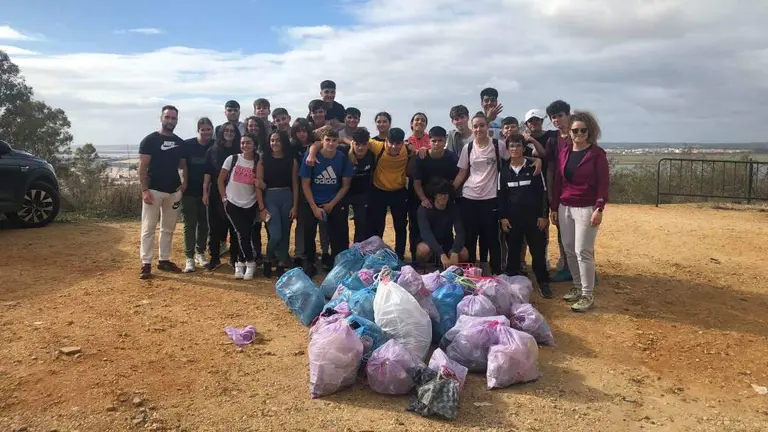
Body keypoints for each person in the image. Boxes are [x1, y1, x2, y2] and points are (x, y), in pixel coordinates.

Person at [550, 111, 609, 312]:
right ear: (570, 131)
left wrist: (599, 208)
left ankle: (587, 294)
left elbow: (603, 184)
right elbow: (558, 181)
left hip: (587, 207)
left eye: (583, 130)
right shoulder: (565, 152)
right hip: (565, 206)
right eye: (575, 130)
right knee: (569, 250)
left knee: (583, 251)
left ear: (589, 131)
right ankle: (577, 287)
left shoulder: (597, 154)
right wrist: (554, 207)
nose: (579, 134)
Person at [453, 112, 509, 275]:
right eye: (475, 126)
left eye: (482, 125)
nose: (478, 129)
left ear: (488, 126)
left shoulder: (499, 146)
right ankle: (470, 274)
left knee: (492, 238)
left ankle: (496, 273)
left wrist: (535, 160)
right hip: (469, 197)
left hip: (491, 198)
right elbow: (462, 173)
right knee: (470, 238)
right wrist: (448, 191)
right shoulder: (468, 148)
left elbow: (512, 161)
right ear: (472, 128)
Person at [498, 134, 552, 298]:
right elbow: (501, 196)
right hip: (513, 219)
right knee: (513, 251)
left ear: (523, 148)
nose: (514, 149)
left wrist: (544, 216)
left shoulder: (533, 166)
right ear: (508, 149)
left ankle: (543, 282)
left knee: (538, 252)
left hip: (534, 218)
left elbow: (543, 193)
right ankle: (513, 285)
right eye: (511, 146)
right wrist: (503, 217)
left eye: (518, 145)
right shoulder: (504, 170)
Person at [138, 105, 187, 279]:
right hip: (153, 190)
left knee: (168, 228)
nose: (170, 121)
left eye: (173, 118)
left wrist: (184, 184)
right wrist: (144, 190)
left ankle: (164, 260)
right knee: (149, 228)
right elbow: (142, 167)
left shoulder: (180, 143)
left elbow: (183, 165)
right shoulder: (150, 140)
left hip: (173, 191)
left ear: (177, 120)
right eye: (167, 117)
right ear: (161, 118)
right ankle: (146, 263)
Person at [299, 130, 353, 276]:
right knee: (308, 232)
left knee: (339, 234)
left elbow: (346, 185)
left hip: (333, 200)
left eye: (334, 140)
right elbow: (305, 184)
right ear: (322, 141)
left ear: (337, 142)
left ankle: (337, 265)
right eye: (327, 140)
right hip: (312, 200)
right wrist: (314, 207)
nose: (330, 143)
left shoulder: (342, 158)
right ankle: (309, 263)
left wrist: (332, 204)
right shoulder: (311, 157)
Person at [217, 134, 263, 280]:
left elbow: (261, 182)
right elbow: (220, 179)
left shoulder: (258, 162)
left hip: (250, 203)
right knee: (241, 233)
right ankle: (250, 262)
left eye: (248, 143)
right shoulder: (232, 159)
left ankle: (240, 262)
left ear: (254, 145)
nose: (245, 146)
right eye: (243, 143)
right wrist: (224, 198)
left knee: (242, 235)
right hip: (232, 203)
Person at [411, 125, 459, 264]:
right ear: (429, 141)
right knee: (419, 232)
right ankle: (418, 264)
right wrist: (423, 199)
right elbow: (417, 182)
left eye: (440, 140)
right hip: (425, 199)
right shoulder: (422, 157)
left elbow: (458, 175)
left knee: (445, 229)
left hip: (444, 199)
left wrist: (448, 194)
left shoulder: (451, 157)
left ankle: (445, 255)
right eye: (434, 141)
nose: (437, 144)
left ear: (445, 141)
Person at [365, 127, 412, 261]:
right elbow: (356, 141)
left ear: (402, 143)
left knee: (401, 225)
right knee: (377, 225)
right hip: (379, 190)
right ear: (386, 140)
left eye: (398, 143)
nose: (393, 146)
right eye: (391, 142)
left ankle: (400, 255)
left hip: (398, 191)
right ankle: (375, 255)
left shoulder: (407, 150)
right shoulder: (377, 146)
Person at [256, 130, 298, 278]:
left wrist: (295, 206)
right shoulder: (263, 160)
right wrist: (261, 208)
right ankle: (268, 259)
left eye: (278, 140)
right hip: (270, 198)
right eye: (272, 140)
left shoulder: (291, 160)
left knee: (286, 233)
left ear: (284, 142)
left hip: (287, 196)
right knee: (276, 235)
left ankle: (281, 263)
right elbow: (258, 185)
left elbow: (295, 184)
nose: (275, 143)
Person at [202, 123, 241, 271]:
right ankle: (214, 257)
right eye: (226, 130)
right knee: (214, 226)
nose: (229, 133)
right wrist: (205, 192)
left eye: (232, 131)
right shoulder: (213, 150)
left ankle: (234, 257)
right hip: (215, 193)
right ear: (221, 132)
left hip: (236, 191)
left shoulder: (240, 149)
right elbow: (207, 172)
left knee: (234, 226)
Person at [546, 100, 574, 282]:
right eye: (553, 117)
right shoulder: (553, 140)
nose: (556, 120)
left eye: (560, 116)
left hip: (580, 193)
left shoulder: (579, 134)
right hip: (560, 192)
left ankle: (586, 270)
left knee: (581, 234)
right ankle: (566, 267)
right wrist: (551, 198)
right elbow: (550, 169)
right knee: (563, 232)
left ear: (568, 115)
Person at [180, 117, 214, 273]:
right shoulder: (188, 145)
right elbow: (182, 166)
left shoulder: (214, 145)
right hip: (189, 192)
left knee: (204, 224)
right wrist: (183, 183)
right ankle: (189, 257)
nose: (206, 132)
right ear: (198, 130)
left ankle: (200, 253)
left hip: (207, 193)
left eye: (209, 129)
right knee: (190, 224)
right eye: (203, 129)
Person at [416, 178, 468, 268]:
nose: (443, 197)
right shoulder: (424, 209)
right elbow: (426, 233)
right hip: (429, 243)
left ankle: (457, 273)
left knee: (464, 252)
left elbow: (460, 231)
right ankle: (420, 270)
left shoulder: (453, 208)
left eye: (445, 194)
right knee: (422, 250)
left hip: (447, 242)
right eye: (440, 194)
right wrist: (441, 253)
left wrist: (455, 251)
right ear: (435, 195)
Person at [345, 128, 375, 243]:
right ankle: (342, 251)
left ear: (368, 144)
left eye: (364, 144)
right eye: (357, 144)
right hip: (344, 193)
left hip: (362, 194)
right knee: (341, 224)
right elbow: (321, 142)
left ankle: (358, 250)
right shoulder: (344, 151)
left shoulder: (372, 155)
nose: (360, 148)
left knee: (361, 224)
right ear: (353, 143)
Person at [290, 118, 313, 267]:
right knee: (300, 222)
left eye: (304, 130)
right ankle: (298, 253)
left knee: (315, 222)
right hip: (295, 185)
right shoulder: (292, 147)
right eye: (298, 131)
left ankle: (321, 252)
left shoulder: (314, 145)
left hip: (313, 187)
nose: (302, 134)